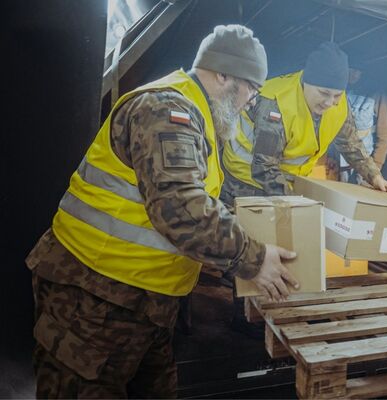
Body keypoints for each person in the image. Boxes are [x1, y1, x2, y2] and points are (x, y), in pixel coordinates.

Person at [25, 24, 299, 398]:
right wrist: (252, 257)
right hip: (93, 297)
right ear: (222, 74)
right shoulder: (167, 110)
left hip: (144, 302)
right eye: (251, 88)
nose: (251, 101)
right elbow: (180, 208)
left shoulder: (197, 113)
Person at [220, 41, 387, 202]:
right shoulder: (275, 104)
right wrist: (297, 203)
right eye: (324, 93)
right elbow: (264, 167)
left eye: (337, 95)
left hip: (290, 182)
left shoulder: (339, 104)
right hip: (243, 181)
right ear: (306, 82)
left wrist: (374, 176)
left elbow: (351, 144)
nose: (329, 103)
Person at [333, 66, 387, 185]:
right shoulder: (337, 92)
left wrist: (376, 168)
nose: (354, 74)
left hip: (362, 163)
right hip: (335, 159)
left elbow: (384, 135)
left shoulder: (377, 95)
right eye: (350, 69)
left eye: (357, 70)